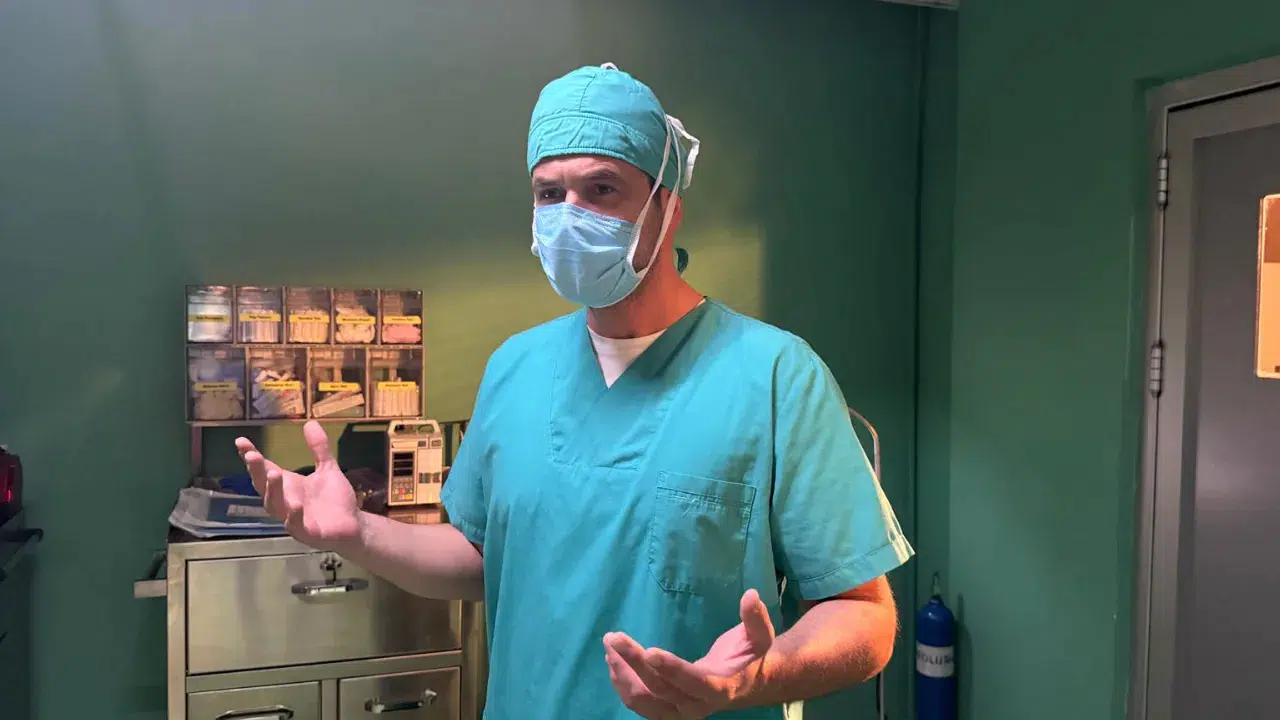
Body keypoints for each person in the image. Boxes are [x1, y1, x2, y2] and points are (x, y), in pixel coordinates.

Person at [236, 62, 914, 720]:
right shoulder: (516, 368)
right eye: (548, 194)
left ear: (668, 207)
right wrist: (357, 533)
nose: (570, 216)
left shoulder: (774, 376)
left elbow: (864, 616)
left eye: (603, 189)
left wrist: (758, 678)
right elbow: (483, 559)